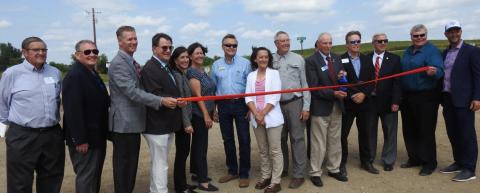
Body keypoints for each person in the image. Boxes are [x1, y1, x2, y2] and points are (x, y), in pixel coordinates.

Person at [0, 37, 64, 193]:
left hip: (52, 134)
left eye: (44, 50)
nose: (41, 53)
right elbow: (2, 103)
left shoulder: (55, 72)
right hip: (23, 135)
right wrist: (6, 128)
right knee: (19, 183)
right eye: (36, 50)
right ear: (24, 52)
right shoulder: (12, 74)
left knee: (52, 179)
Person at [108, 26, 166, 193]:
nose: (134, 42)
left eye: (135, 38)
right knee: (124, 167)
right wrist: (160, 100)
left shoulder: (131, 61)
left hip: (132, 123)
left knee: (130, 165)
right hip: (124, 124)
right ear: (120, 41)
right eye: (129, 39)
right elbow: (132, 92)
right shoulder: (119, 63)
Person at [141, 33, 186, 193]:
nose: (168, 50)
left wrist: (177, 100)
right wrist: (172, 100)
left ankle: (156, 190)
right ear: (154, 49)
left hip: (166, 124)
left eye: (170, 47)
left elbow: (166, 94)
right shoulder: (150, 68)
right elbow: (155, 96)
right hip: (157, 125)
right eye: (164, 47)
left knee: (159, 162)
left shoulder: (164, 67)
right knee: (161, 164)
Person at [63, 40, 109, 193]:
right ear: (77, 55)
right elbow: (72, 111)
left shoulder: (91, 72)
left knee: (94, 176)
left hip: (96, 136)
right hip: (85, 140)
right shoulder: (75, 75)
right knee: (86, 177)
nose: (92, 55)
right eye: (87, 52)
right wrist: (80, 139)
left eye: (95, 52)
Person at [400, 24, 444, 176]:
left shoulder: (432, 51)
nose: (419, 38)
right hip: (408, 96)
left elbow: (440, 70)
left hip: (426, 97)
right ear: (411, 37)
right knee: (409, 129)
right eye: (415, 36)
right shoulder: (407, 51)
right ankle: (414, 158)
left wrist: (434, 72)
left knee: (425, 130)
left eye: (422, 35)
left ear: (426, 35)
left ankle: (429, 163)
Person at [305, 32, 348, 187]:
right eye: (325, 43)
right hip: (320, 107)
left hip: (337, 106)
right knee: (318, 142)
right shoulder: (310, 61)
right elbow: (314, 87)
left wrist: (343, 79)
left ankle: (334, 168)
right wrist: (334, 93)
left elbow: (341, 77)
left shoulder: (336, 58)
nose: (328, 46)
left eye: (330, 43)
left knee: (335, 140)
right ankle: (315, 172)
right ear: (318, 43)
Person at [439, 20, 480, 182]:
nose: (454, 34)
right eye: (450, 31)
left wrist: (477, 97)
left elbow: (478, 75)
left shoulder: (472, 51)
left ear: (461, 32)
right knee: (453, 133)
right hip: (448, 98)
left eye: (456, 31)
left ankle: (469, 168)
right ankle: (459, 162)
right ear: (446, 34)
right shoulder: (445, 53)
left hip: (464, 99)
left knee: (467, 134)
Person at [211, 34, 252, 188]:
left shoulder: (245, 63)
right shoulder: (216, 65)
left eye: (234, 45)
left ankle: (244, 173)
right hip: (223, 105)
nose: (231, 48)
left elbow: (250, 86)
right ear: (222, 47)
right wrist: (214, 108)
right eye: (228, 45)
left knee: (244, 139)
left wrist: (250, 107)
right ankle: (232, 170)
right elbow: (213, 88)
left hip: (241, 104)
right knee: (227, 139)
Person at [272, 31, 310, 189]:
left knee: (297, 138)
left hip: (296, 103)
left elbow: (305, 84)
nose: (286, 43)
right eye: (282, 41)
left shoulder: (298, 59)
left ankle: (299, 174)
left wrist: (306, 107)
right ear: (276, 43)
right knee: (279, 139)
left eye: (287, 40)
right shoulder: (270, 59)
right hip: (276, 105)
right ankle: (283, 169)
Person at [246, 47, 284, 193]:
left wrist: (263, 114)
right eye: (260, 57)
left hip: (272, 117)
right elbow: (248, 97)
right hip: (256, 118)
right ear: (255, 59)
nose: (263, 59)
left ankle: (276, 181)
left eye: (266, 57)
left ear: (269, 59)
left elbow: (275, 97)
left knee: (275, 150)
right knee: (263, 150)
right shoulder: (251, 76)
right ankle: (266, 176)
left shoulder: (274, 74)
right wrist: (257, 114)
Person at [339, 31, 378, 175]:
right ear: (347, 44)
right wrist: (352, 94)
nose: (356, 44)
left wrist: (363, 94)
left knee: (366, 133)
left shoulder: (367, 59)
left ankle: (366, 162)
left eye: (357, 41)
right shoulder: (340, 59)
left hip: (365, 103)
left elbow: (373, 80)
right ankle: (341, 163)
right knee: (343, 135)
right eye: (352, 42)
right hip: (348, 104)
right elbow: (340, 82)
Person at [367, 33, 402, 172]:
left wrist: (396, 101)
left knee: (390, 131)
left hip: (389, 102)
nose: (382, 43)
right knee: (370, 131)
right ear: (373, 43)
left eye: (385, 41)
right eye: (379, 41)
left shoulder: (394, 59)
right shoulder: (366, 58)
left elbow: (398, 83)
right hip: (370, 102)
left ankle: (388, 160)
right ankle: (369, 158)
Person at [187, 42, 219, 191]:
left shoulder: (201, 71)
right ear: (191, 56)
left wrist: (213, 110)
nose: (200, 55)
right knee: (201, 146)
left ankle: (196, 173)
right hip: (199, 114)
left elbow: (210, 93)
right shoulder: (192, 72)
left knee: (198, 144)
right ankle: (202, 180)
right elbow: (198, 97)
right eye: (197, 53)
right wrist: (206, 115)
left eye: (201, 53)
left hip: (205, 112)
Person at [170, 46, 198, 193]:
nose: (186, 60)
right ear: (175, 60)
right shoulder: (177, 76)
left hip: (185, 121)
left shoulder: (182, 74)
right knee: (181, 154)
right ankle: (180, 188)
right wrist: (187, 124)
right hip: (182, 124)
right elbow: (181, 103)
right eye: (182, 57)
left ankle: (182, 184)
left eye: (187, 57)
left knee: (183, 153)